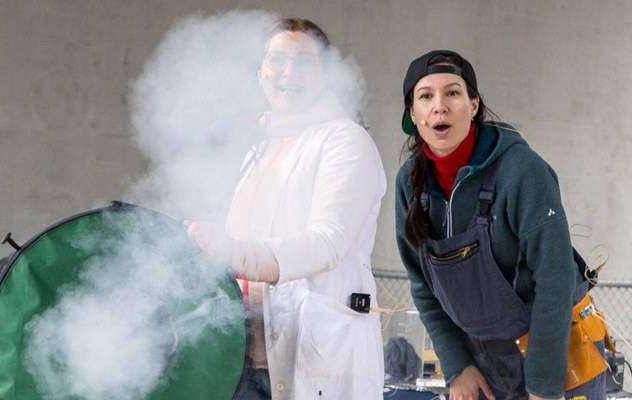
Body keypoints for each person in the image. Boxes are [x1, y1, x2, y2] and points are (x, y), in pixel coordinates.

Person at [185, 18, 386, 400]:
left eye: (305, 61)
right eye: (277, 59)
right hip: (242, 359)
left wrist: (239, 253)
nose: (289, 72)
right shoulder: (258, 148)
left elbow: (329, 241)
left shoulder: (345, 140)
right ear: (259, 72)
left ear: (326, 73)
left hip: (311, 358)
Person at [394, 50, 607, 400]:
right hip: (483, 366)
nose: (439, 106)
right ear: (413, 114)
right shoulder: (410, 184)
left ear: (473, 106)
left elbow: (554, 281)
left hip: (559, 355)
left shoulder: (521, 171)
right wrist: (457, 366)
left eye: (452, 93)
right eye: (426, 96)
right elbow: (423, 287)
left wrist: (544, 386)